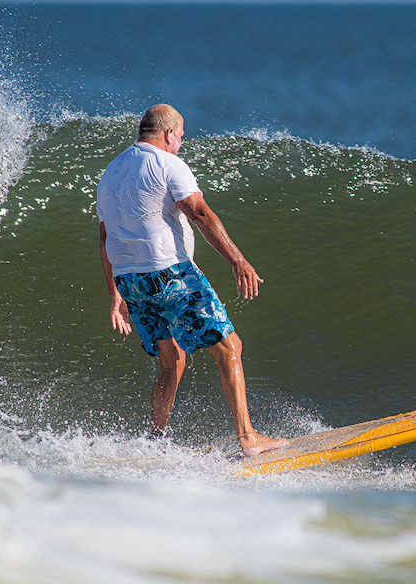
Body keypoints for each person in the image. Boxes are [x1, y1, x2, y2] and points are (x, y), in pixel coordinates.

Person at [97, 104, 287, 457]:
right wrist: (238, 261)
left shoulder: (110, 173)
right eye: (181, 136)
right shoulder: (168, 164)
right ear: (169, 133)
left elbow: (105, 238)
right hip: (169, 273)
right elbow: (199, 212)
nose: (181, 142)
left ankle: (156, 440)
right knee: (230, 348)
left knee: (172, 360)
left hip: (131, 281)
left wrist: (115, 296)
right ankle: (248, 438)